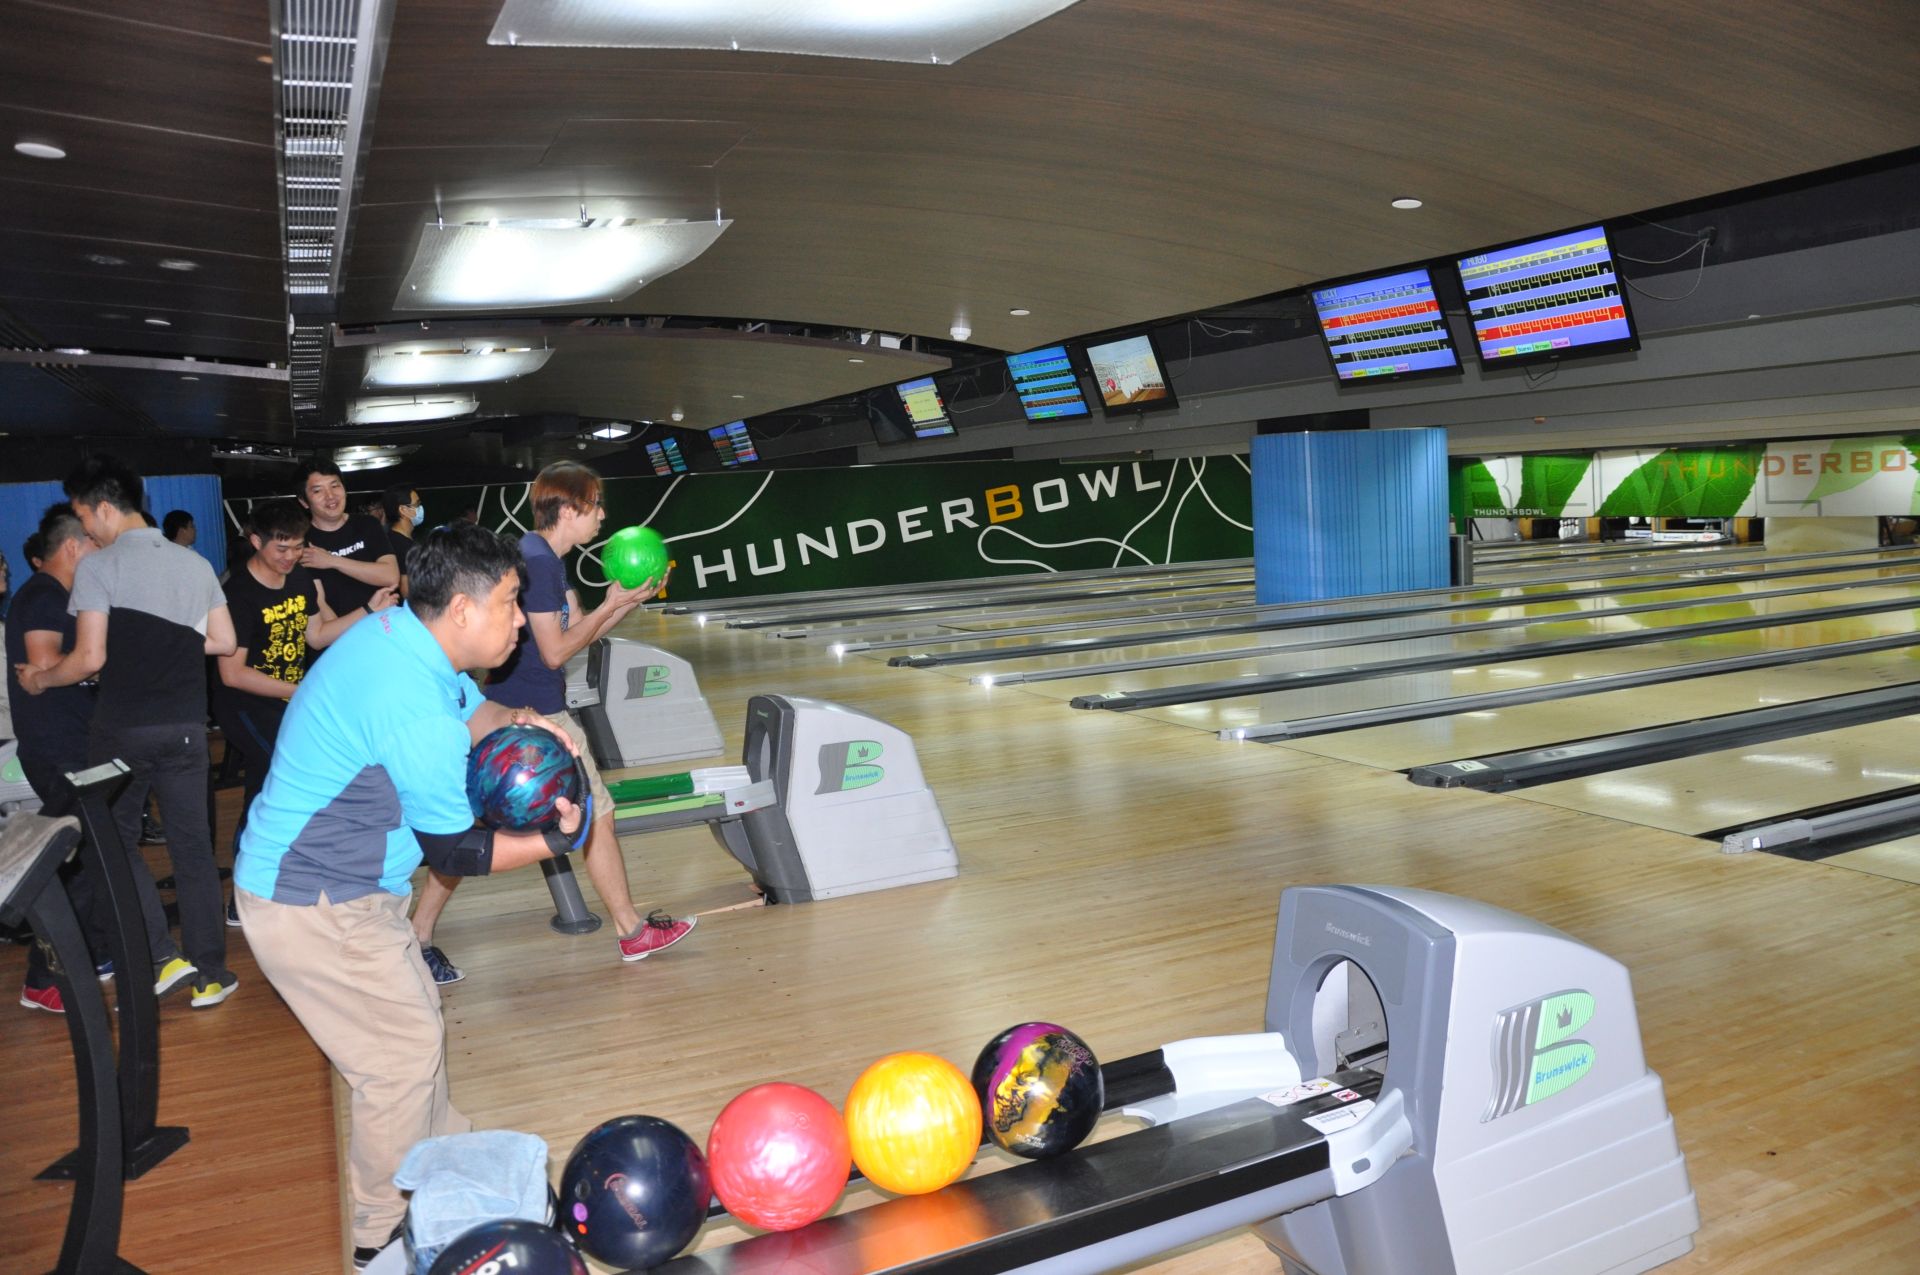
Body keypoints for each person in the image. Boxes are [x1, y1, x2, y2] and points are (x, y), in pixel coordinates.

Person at [233, 523, 595, 1267]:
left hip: (341, 886)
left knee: (416, 1025)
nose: (520, 620)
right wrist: (562, 839)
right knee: (398, 1058)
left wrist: (525, 725)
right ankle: (380, 1236)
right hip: (315, 901)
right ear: (461, 609)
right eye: (509, 602)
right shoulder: (411, 707)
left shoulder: (403, 636)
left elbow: (476, 712)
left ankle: (446, 1169)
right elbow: (457, 851)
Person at [406, 462, 691, 983]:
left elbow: (580, 631)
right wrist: (611, 602)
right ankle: (631, 930)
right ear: (569, 508)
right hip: (529, 714)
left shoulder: (548, 560)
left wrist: (625, 602)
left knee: (475, 825)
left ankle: (417, 936)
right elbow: (556, 652)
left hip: (521, 709)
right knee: (595, 814)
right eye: (595, 505)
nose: (602, 516)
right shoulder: (535, 561)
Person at [13, 457, 238, 1007]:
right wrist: (167, 645)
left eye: (84, 516)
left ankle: (161, 957)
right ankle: (210, 973)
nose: (86, 530)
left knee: (110, 843)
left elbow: (89, 658)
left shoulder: (100, 567)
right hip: (186, 726)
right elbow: (224, 642)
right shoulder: (195, 563)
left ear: (104, 508)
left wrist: (40, 679)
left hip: (121, 731)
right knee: (192, 849)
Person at [214, 500, 395, 921]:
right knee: (278, 783)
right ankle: (250, 888)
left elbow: (316, 636)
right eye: (281, 548)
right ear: (255, 541)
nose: (291, 556)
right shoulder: (237, 594)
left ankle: (268, 883)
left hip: (287, 701)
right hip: (245, 706)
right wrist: (300, 691)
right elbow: (232, 674)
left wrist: (369, 611)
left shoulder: (298, 579)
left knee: (268, 789)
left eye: (297, 547)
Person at [6, 507, 112, 1011]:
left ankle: (92, 951)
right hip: (57, 745)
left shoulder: (62, 596)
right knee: (69, 860)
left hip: (72, 740)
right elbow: (44, 664)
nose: (102, 551)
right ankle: (42, 978)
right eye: (95, 542)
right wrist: (92, 665)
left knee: (88, 856)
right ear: (73, 546)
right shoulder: (44, 596)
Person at [296, 456, 400, 628]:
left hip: (385, 629)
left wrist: (332, 561)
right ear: (304, 501)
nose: (330, 496)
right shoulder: (302, 542)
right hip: (343, 639)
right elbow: (322, 616)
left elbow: (391, 577)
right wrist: (367, 613)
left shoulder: (367, 524)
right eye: (318, 491)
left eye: (335, 486)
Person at [382, 483, 424, 595]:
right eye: (417, 504)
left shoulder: (390, 538)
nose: (420, 508)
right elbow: (406, 590)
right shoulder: (402, 546)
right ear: (403, 510)